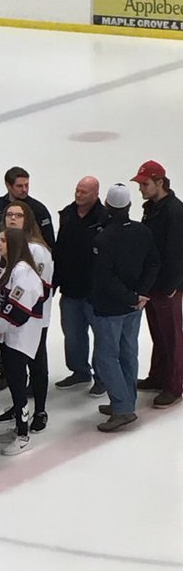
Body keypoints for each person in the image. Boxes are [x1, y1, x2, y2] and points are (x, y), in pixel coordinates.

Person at [90, 184, 160, 432]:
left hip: (112, 307)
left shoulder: (103, 238)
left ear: (108, 207)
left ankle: (122, 407)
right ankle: (125, 400)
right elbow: (154, 263)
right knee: (128, 352)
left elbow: (105, 277)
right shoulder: (142, 231)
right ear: (129, 206)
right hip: (134, 306)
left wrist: (130, 297)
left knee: (106, 356)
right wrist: (140, 294)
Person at [0, 228, 47, 456]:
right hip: (9, 336)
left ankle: (24, 435)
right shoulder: (9, 269)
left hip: (20, 338)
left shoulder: (24, 272)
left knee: (18, 384)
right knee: (14, 384)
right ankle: (18, 426)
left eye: (3, 240)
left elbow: (18, 310)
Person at [133, 160, 183, 408]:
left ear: (160, 183)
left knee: (172, 336)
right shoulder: (151, 208)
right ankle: (158, 375)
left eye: (145, 184)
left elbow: (177, 252)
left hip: (167, 286)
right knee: (158, 333)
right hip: (152, 283)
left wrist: (172, 285)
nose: (141, 188)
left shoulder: (175, 211)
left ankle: (175, 384)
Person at [54, 176, 109, 392]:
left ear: (96, 194)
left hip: (93, 292)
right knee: (73, 334)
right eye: (77, 190)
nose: (78, 195)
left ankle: (102, 377)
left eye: (84, 192)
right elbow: (59, 249)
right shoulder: (67, 214)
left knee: (101, 337)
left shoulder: (104, 218)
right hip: (70, 289)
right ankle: (79, 371)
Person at [0, 166, 56, 250]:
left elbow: (49, 242)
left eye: (26, 185)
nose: (24, 189)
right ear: (8, 186)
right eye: (19, 186)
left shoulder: (38, 209)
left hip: (28, 256)